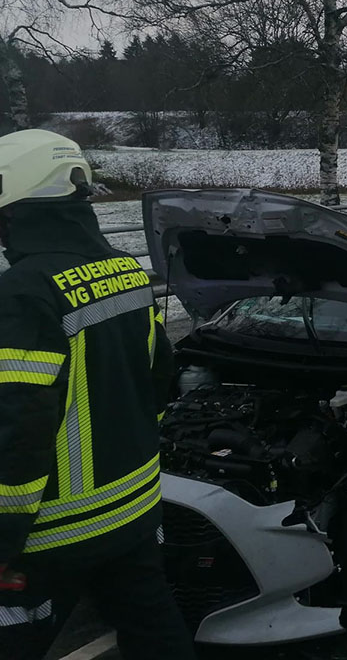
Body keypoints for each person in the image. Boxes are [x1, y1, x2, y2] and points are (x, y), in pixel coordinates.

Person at [0, 130, 195, 660]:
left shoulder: (23, 292)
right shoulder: (127, 270)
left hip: (55, 531)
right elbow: (158, 379)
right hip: (133, 510)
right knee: (156, 634)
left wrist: (4, 539)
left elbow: (20, 430)